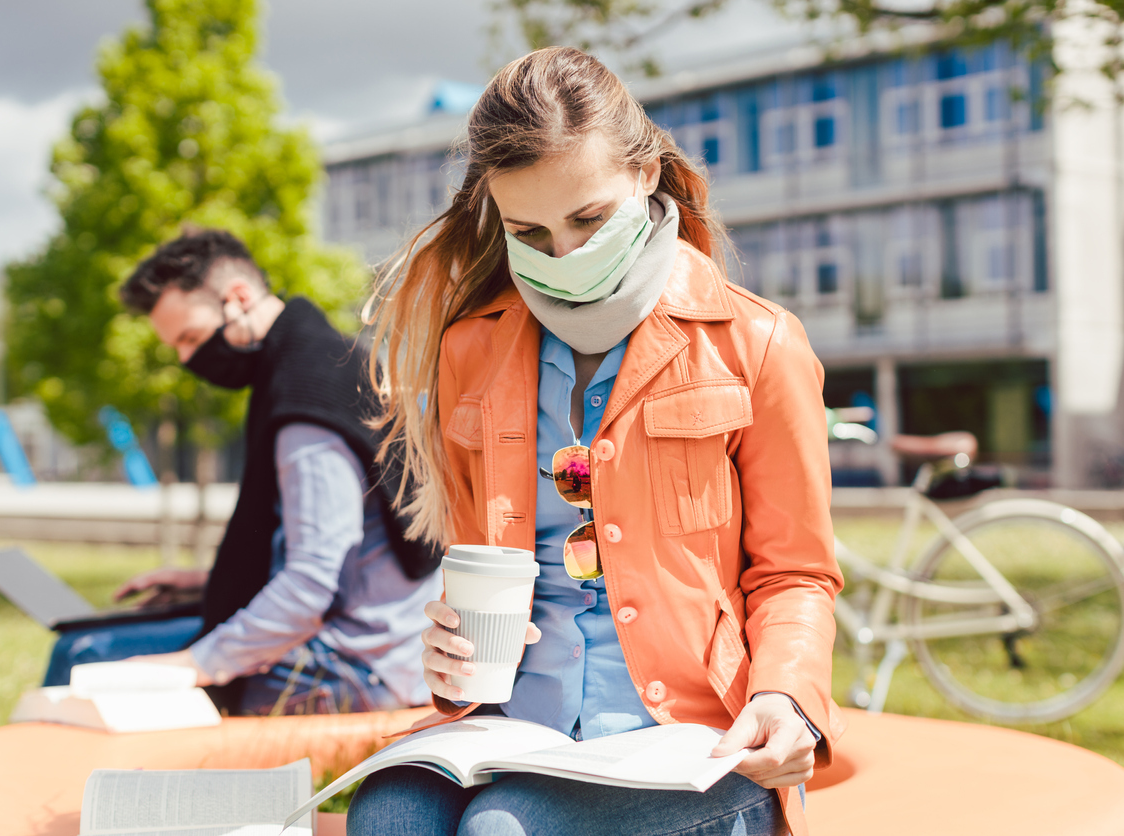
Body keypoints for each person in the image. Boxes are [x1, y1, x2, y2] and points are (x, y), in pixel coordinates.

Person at [350, 48, 844, 836]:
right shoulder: (470, 349)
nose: (564, 257)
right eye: (528, 231)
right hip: (510, 725)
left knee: (499, 832)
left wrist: (784, 697)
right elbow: (483, 569)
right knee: (389, 820)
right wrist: (450, 654)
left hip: (690, 739)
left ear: (646, 173)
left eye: (588, 219)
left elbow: (796, 573)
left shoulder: (758, 342)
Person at [42, 229, 443, 716]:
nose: (188, 359)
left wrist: (193, 666)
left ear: (238, 298)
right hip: (374, 649)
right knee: (94, 646)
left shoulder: (304, 408)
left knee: (80, 656)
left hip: (351, 670)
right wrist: (207, 581)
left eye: (190, 337)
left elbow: (313, 586)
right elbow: (348, 554)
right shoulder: (330, 358)